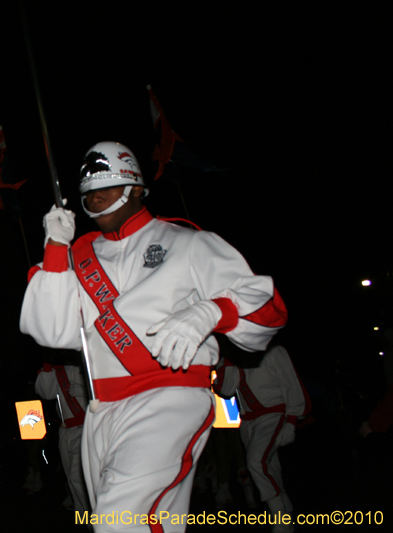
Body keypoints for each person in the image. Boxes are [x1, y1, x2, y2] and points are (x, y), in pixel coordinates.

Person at [20, 141, 287, 531]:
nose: (94, 197)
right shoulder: (78, 256)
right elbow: (51, 331)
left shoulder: (188, 241)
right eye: (88, 191)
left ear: (134, 188)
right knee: (148, 522)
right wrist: (56, 250)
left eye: (105, 187)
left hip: (169, 397)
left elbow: (268, 311)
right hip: (102, 410)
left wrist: (214, 310)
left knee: (120, 521)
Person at [213, 345, 310, 532]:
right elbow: (226, 390)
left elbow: (290, 383)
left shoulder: (273, 350)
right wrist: (228, 361)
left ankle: (281, 518)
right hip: (248, 420)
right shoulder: (230, 358)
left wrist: (291, 419)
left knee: (256, 462)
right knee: (269, 465)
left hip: (273, 413)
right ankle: (285, 508)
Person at [35, 357, 91, 515]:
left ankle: (96, 520)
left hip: (85, 426)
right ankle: (87, 521)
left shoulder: (86, 356)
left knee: (78, 477)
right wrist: (47, 365)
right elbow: (46, 393)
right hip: (65, 430)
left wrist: (82, 390)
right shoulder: (56, 366)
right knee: (72, 482)